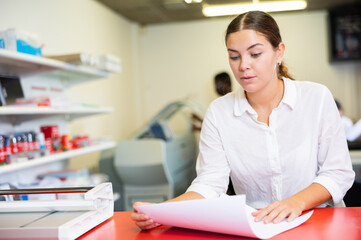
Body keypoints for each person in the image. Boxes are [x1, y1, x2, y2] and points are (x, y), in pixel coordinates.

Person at [132, 11, 355, 230]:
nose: (243, 66)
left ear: (279, 53)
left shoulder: (316, 98)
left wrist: (295, 202)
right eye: (234, 56)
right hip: (258, 227)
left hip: (319, 222)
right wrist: (162, 211)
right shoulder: (219, 112)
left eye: (255, 54)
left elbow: (338, 173)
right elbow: (210, 183)